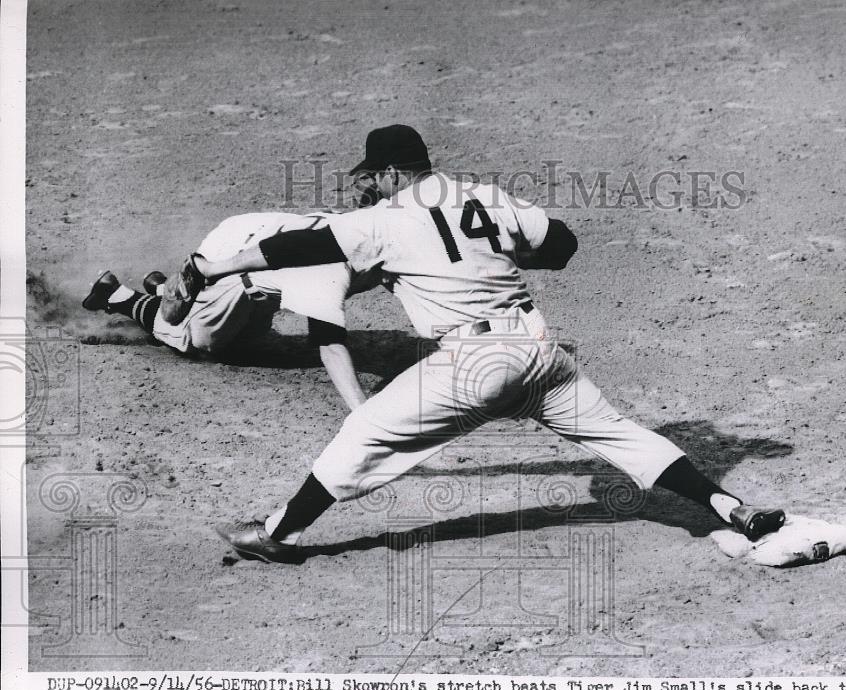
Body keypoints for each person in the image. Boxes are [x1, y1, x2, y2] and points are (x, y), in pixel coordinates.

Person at [192, 124, 784, 562]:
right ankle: (728, 506)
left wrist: (218, 267)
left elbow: (298, 247)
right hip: (539, 352)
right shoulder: (486, 196)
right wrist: (491, 254)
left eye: (374, 175)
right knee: (622, 435)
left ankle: (278, 535)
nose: (369, 185)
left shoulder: (380, 220)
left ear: (396, 174)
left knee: (365, 433)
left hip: (473, 365)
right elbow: (562, 246)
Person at [82, 211, 386, 410]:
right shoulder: (331, 273)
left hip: (248, 239)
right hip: (234, 260)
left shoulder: (354, 228)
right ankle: (119, 294)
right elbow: (330, 346)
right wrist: (363, 414)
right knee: (198, 341)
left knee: (251, 341)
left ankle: (164, 288)